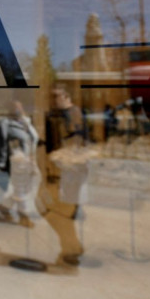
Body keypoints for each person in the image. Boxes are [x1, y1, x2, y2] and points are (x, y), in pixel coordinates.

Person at [41, 84, 86, 266]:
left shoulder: (73, 115)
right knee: (56, 210)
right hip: (63, 171)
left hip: (70, 171)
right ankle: (72, 247)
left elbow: (75, 144)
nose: (53, 100)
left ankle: (72, 248)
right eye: (52, 97)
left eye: (57, 96)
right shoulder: (60, 115)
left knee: (60, 212)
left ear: (66, 96)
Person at [0, 101, 39, 227]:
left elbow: (34, 138)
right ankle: (24, 217)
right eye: (15, 108)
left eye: (20, 107)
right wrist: (2, 162)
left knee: (24, 189)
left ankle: (4, 206)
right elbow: (1, 143)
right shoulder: (5, 123)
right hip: (17, 162)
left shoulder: (26, 122)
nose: (18, 110)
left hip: (29, 160)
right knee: (21, 190)